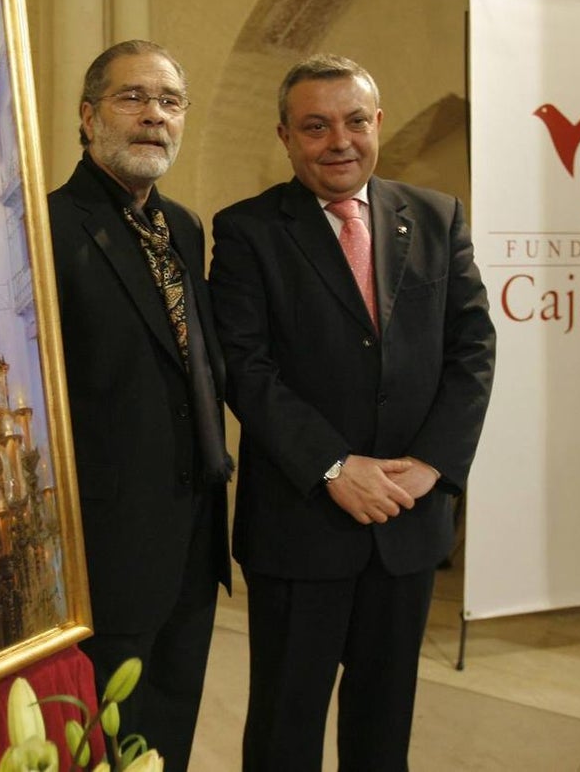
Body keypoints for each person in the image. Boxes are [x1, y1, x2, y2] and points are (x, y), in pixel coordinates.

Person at [208, 54, 496, 771]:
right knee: (285, 731)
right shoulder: (247, 231)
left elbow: (472, 350)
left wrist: (431, 465)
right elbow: (246, 368)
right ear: (285, 135)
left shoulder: (436, 217)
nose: (339, 140)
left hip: (407, 520)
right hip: (302, 526)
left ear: (378, 123)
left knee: (382, 732)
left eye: (354, 121)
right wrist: (334, 465)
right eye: (315, 126)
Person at [48, 40, 232, 770]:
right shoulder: (47, 225)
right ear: (88, 117)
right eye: (134, 98)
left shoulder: (182, 226)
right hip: (107, 544)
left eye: (170, 102)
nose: (154, 116)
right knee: (103, 740)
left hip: (192, 532)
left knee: (170, 732)